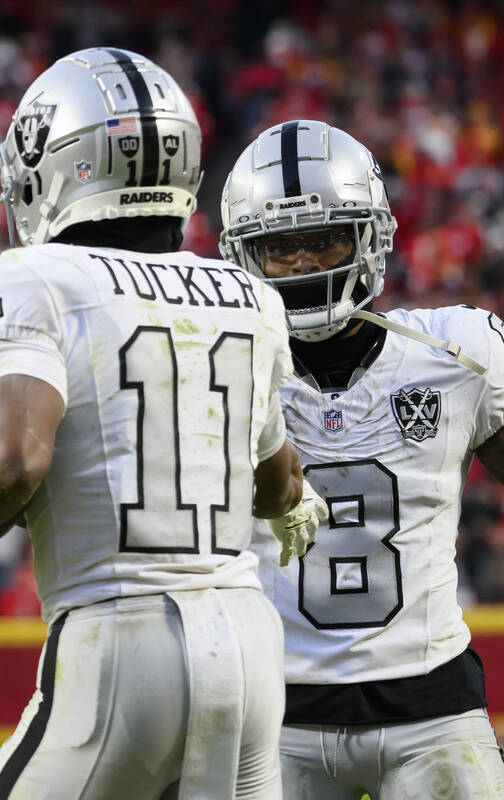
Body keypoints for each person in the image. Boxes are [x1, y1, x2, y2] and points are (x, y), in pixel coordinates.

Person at [0, 48, 318, 799]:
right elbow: (276, 483)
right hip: (249, 644)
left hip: (120, 635)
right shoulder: (247, 294)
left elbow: (14, 453)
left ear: (65, 165)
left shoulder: (26, 277)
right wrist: (298, 506)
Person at [219, 120, 504, 798]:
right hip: (275, 713)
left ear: (370, 235)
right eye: (278, 245)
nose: (300, 262)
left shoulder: (455, 351)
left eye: (323, 238)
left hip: (433, 704)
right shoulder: (222, 369)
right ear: (243, 255)